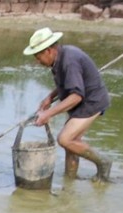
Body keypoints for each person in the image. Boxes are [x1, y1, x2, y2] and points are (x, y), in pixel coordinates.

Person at [24, 27, 112, 182]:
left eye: (38, 57)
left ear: (49, 51)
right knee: (72, 143)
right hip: (82, 100)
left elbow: (76, 96)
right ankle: (70, 181)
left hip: (91, 102)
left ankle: (103, 162)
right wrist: (49, 98)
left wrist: (48, 114)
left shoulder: (69, 61)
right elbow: (66, 84)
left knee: (65, 139)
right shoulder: (59, 59)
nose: (37, 62)